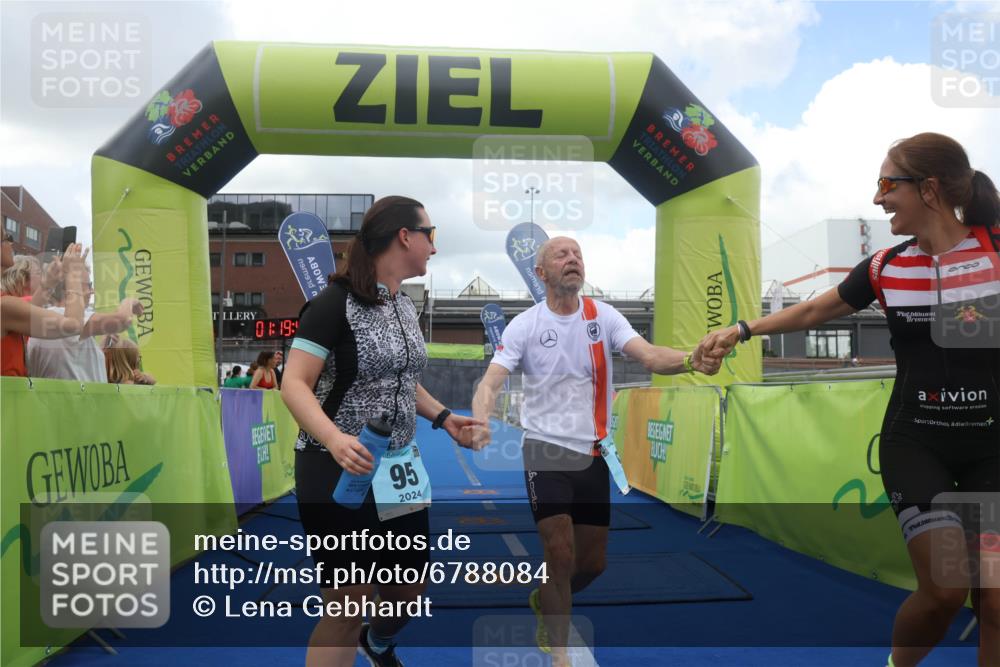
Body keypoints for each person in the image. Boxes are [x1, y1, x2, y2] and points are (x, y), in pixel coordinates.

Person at [701, 132, 999, 667]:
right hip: (918, 442)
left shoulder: (996, 251)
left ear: (929, 189)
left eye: (887, 184)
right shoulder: (886, 266)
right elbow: (814, 312)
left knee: (996, 601)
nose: (878, 198)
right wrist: (742, 329)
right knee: (946, 589)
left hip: (991, 449)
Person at [469, 236, 720, 666]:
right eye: (561, 255)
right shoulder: (525, 326)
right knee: (559, 551)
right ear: (542, 273)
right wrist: (480, 417)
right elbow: (491, 380)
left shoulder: (602, 317)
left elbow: (651, 356)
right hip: (544, 451)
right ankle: (560, 652)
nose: (573, 260)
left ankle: (544, 597)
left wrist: (692, 360)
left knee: (592, 565)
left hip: (593, 454)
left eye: (578, 254)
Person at [280, 196, 484, 667]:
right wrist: (334, 439)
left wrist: (443, 417)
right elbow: (294, 383)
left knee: (407, 592)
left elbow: (400, 379)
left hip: (397, 470)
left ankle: (376, 642)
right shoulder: (331, 305)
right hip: (335, 469)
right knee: (347, 604)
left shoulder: (402, 306)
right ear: (404, 237)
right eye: (430, 235)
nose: (434, 247)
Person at [1, 243, 89, 376]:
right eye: (6, 238)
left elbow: (31, 308)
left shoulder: (9, 306)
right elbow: (73, 325)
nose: (10, 243)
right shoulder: (6, 305)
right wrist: (74, 274)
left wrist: (49, 283)